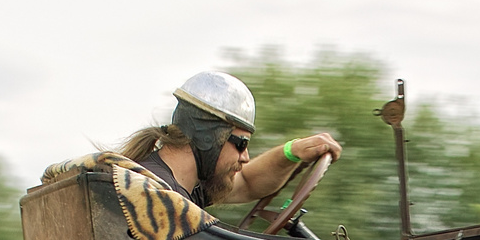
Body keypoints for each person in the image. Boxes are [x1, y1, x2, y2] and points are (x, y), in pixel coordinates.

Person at [95, 71, 343, 207]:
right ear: (209, 137)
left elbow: (247, 183)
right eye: (241, 144)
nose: (245, 158)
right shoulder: (158, 195)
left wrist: (292, 151)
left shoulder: (187, 187)